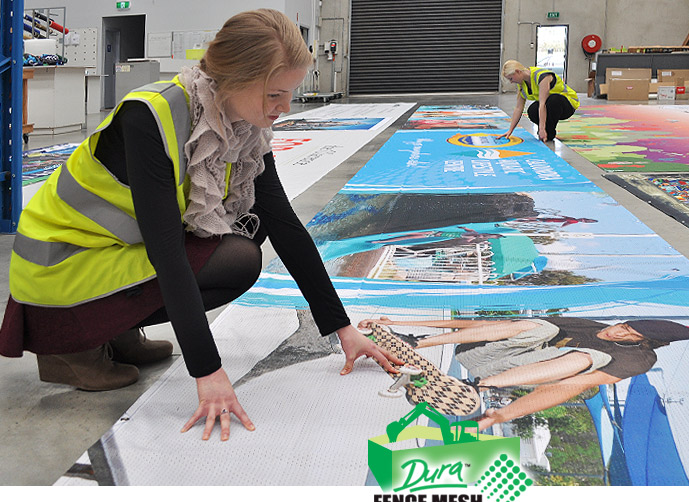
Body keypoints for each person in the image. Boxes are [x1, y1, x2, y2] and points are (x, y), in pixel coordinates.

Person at [0, 9, 400, 441]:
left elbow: (285, 224)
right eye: (274, 95)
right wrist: (208, 371)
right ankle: (73, 344)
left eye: (289, 94)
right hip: (62, 262)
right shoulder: (149, 117)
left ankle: (114, 327)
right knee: (235, 258)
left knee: (250, 231)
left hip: (111, 253)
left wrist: (341, 328)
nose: (285, 109)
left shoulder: (243, 127)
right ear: (235, 78)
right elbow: (167, 252)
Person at [359, 316, 689, 431]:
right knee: (542, 326)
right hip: (483, 354)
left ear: (644, 343)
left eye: (627, 335)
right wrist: (409, 328)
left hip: (499, 375)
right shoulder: (597, 326)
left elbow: (568, 388)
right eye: (622, 325)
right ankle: (415, 343)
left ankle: (476, 387)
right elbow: (491, 327)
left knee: (586, 359)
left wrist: (500, 415)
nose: (615, 333)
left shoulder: (639, 361)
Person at [500, 60, 579, 142]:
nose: (511, 82)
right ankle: (546, 130)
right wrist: (510, 130)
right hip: (549, 105)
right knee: (532, 110)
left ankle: (549, 133)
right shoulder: (522, 85)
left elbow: (542, 104)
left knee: (553, 101)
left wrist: (541, 128)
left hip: (567, 104)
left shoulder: (542, 77)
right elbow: (518, 108)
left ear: (518, 71)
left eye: (511, 78)